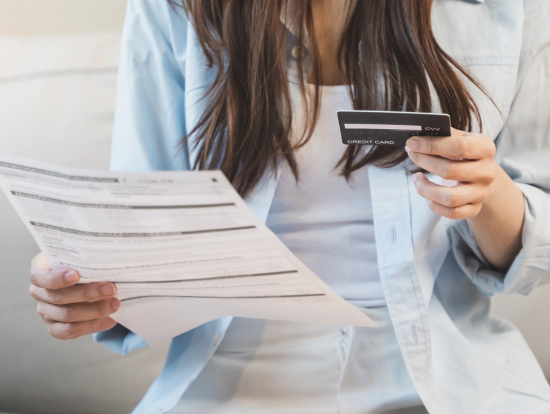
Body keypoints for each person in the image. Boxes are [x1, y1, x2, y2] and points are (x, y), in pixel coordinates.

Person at [27, 0, 550, 413]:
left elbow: (534, 254)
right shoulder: (173, 7)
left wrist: (487, 194)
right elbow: (141, 228)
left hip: (444, 380)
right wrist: (84, 282)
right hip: (236, 386)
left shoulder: (510, 8)